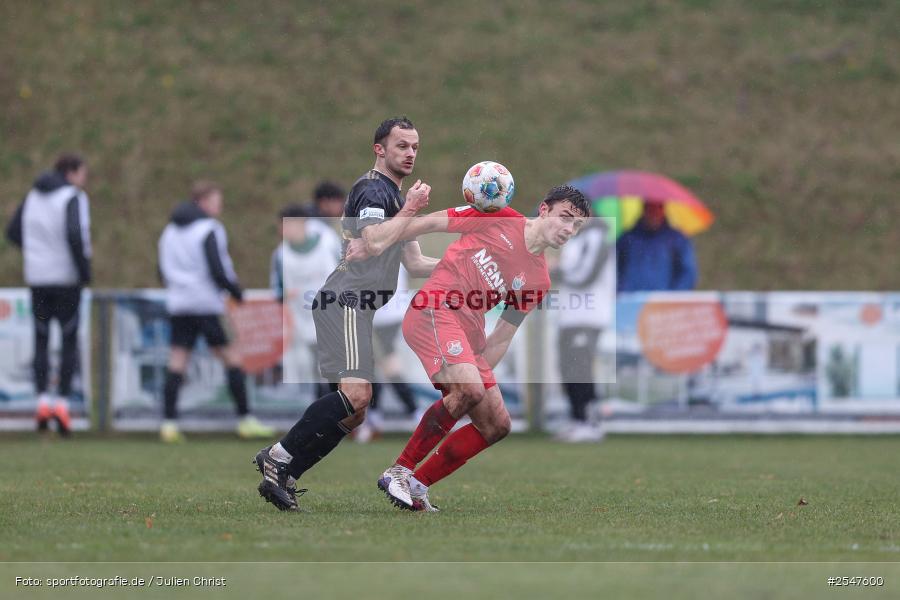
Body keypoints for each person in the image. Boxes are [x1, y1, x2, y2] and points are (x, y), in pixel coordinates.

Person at [365, 185, 590, 511]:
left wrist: (473, 373)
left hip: (468, 336)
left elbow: (501, 336)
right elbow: (429, 224)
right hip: (435, 308)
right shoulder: (498, 215)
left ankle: (416, 486)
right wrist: (385, 234)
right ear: (544, 209)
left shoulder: (539, 280)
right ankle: (398, 471)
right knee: (468, 390)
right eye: (565, 218)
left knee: (496, 423)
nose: (569, 229)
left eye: (577, 225)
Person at [253, 116, 436, 511]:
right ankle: (279, 456)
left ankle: (283, 472)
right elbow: (371, 241)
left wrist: (467, 264)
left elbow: (417, 264)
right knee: (356, 395)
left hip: (355, 306)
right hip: (346, 301)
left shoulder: (395, 199)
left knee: (355, 412)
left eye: (414, 147)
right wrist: (410, 211)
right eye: (401, 146)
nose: (409, 153)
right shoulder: (374, 190)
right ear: (380, 149)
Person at [157, 181, 274, 443]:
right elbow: (217, 268)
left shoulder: (169, 231)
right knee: (232, 357)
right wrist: (236, 293)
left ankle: (168, 424)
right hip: (206, 304)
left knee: (177, 361)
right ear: (203, 202)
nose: (219, 205)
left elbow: (161, 269)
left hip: (179, 303)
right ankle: (245, 420)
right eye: (215, 200)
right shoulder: (209, 228)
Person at [5, 154, 92, 435]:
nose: (84, 179)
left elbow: (13, 232)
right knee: (68, 339)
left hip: (38, 277)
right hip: (66, 279)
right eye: (82, 173)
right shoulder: (72, 197)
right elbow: (75, 234)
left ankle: (42, 401)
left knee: (41, 338)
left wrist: (37, 253)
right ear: (71, 172)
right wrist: (84, 272)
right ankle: (63, 406)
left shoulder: (32, 196)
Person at [270, 203, 342, 399]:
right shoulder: (281, 255)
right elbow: (278, 291)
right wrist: (285, 295)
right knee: (319, 371)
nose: (282, 230)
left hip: (333, 318)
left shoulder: (326, 243)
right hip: (305, 323)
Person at [555, 217, 614, 442]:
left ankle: (590, 421)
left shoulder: (596, 237)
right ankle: (577, 418)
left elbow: (585, 275)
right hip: (570, 315)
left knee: (580, 367)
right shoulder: (576, 239)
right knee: (567, 367)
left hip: (589, 315)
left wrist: (557, 271)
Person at [355, 264, 424, 443]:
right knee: (381, 367)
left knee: (387, 367)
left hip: (385, 318)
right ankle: (381, 416)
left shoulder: (380, 252)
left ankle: (412, 414)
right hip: (380, 316)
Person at [615, 199, 697, 292]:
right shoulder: (627, 239)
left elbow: (687, 273)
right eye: (650, 209)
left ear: (663, 211)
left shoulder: (676, 240)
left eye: (657, 209)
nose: (653, 214)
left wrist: (674, 296)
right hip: (630, 300)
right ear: (644, 211)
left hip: (662, 301)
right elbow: (615, 269)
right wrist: (620, 292)